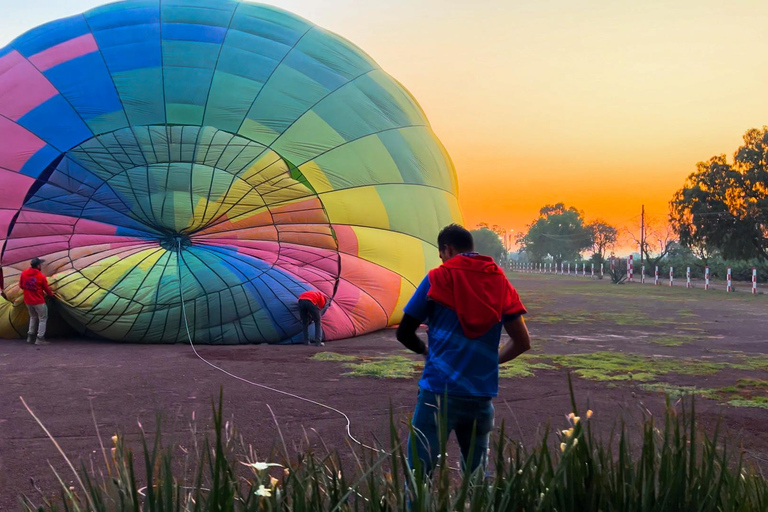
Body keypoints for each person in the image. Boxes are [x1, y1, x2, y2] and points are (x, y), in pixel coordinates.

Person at [396, 224, 531, 476]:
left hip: (438, 392)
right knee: (476, 479)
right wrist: (491, 361)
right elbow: (522, 342)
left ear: (447, 249)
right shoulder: (499, 281)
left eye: (441, 255)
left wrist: (425, 351)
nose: (442, 260)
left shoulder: (438, 278)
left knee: (418, 476)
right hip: (480, 395)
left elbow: (404, 332)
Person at [19, 257, 55, 345]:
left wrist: (29, 290)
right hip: (38, 301)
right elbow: (46, 289)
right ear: (38, 266)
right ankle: (40, 338)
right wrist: (51, 295)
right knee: (43, 318)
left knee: (33, 317)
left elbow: (21, 285)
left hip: (28, 301)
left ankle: (30, 337)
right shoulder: (41, 276)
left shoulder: (23, 273)